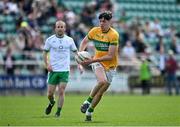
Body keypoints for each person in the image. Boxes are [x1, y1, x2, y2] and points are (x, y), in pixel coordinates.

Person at [78, 11, 119, 121]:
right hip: (98, 62)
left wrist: (92, 60)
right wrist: (80, 55)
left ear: (110, 22)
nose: (101, 23)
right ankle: (87, 101)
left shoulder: (114, 35)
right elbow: (84, 42)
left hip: (110, 65)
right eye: (100, 21)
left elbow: (110, 56)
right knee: (102, 81)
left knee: (101, 93)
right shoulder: (94, 31)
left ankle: (89, 112)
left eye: (104, 21)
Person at [43, 20, 78, 117]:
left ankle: (58, 112)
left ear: (65, 28)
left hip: (64, 70)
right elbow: (44, 53)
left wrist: (79, 64)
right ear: (55, 28)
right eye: (58, 27)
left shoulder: (70, 40)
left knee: (61, 91)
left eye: (62, 27)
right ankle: (51, 102)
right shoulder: (50, 40)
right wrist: (47, 64)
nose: (60, 28)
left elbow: (76, 53)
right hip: (53, 70)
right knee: (50, 94)